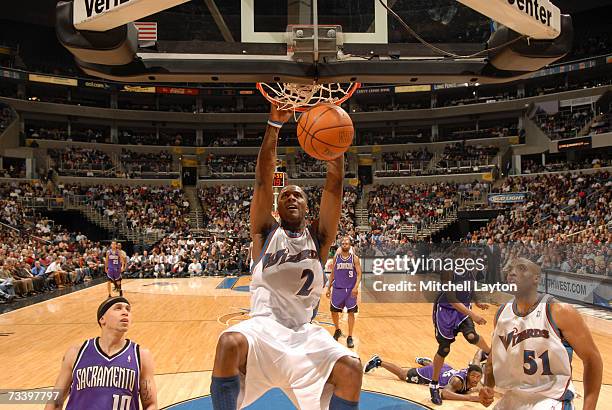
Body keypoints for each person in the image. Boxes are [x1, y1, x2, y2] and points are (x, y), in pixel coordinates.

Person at [210, 104, 362, 409]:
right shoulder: (265, 232)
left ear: (307, 207)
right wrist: (274, 125)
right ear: (277, 209)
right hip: (263, 330)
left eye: (299, 195)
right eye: (286, 195)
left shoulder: (319, 239)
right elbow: (264, 180)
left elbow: (334, 186)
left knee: (352, 368)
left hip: (303, 333)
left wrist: (337, 149)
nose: (291, 196)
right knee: (228, 343)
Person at [485, 258, 602, 409]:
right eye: (510, 269)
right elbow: (492, 361)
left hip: (550, 400)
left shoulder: (559, 311)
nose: (512, 273)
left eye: (521, 268)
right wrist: (487, 387)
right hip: (513, 398)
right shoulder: (502, 313)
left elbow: (593, 360)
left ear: (536, 278)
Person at [45, 297, 157, 410]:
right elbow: (55, 402)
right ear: (102, 319)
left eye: (128, 309)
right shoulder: (76, 353)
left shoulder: (141, 355)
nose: (125, 312)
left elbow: (151, 404)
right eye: (118, 308)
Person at [429, 249, 491, 405]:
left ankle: (492, 354)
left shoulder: (470, 268)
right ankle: (434, 385)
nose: (465, 259)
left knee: (472, 336)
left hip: (462, 309)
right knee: (444, 349)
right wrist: (474, 315)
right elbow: (451, 298)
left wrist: (477, 301)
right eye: (462, 256)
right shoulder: (448, 270)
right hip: (446, 309)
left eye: (467, 256)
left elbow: (471, 287)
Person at [364, 354, 494, 406]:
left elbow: (477, 361)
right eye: (473, 376)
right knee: (404, 375)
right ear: (467, 374)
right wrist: (472, 398)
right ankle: (378, 361)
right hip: (433, 374)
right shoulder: (457, 381)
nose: (476, 379)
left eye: (478, 377)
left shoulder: (474, 375)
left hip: (446, 369)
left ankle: (425, 361)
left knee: (437, 365)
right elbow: (445, 394)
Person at [326, 236, 361, 348]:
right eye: (343, 243)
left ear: (350, 245)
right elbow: (332, 273)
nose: (345, 245)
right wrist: (328, 287)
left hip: (350, 290)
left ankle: (350, 336)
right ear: (341, 245)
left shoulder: (354, 258)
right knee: (333, 311)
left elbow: (359, 274)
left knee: (351, 313)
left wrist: (356, 287)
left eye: (347, 243)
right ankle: (337, 330)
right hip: (338, 289)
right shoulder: (336, 257)